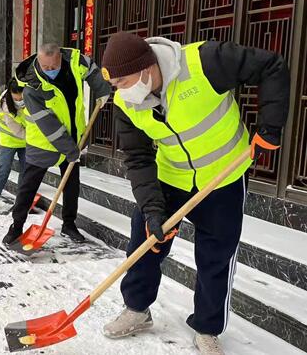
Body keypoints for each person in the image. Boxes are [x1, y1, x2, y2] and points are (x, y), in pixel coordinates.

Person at [99, 32, 289, 355]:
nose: (120, 91)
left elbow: (271, 66)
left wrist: (270, 127)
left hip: (225, 175)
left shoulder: (205, 62)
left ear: (146, 67)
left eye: (122, 81)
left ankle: (207, 327)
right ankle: (136, 308)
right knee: (145, 240)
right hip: (171, 175)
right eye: (114, 85)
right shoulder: (125, 104)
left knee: (216, 254)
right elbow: (138, 158)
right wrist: (153, 209)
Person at [2, 43, 111, 245]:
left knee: (71, 185)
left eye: (54, 67)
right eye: (46, 68)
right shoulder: (31, 86)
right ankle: (16, 226)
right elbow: (48, 124)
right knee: (28, 187)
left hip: (74, 136)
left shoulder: (74, 61)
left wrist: (102, 89)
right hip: (43, 142)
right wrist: (70, 149)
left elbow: (92, 68)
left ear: (60, 57)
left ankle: (69, 224)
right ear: (38, 62)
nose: (50, 71)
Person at [0, 78, 26, 211]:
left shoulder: (30, 98)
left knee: (26, 169)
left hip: (26, 139)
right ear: (10, 93)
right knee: (4, 168)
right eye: (16, 99)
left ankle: (21, 199)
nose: (19, 101)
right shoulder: (5, 105)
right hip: (9, 140)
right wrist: (34, 138)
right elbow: (17, 129)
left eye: (21, 98)